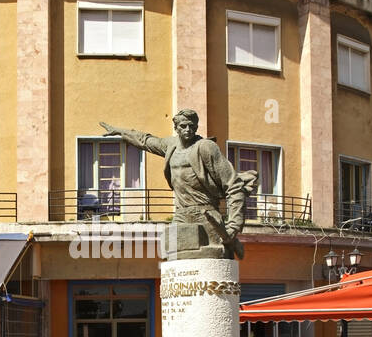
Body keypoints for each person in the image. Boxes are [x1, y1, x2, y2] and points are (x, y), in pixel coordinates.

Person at [100, 110, 258, 258]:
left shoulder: (206, 147)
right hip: (182, 214)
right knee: (174, 253)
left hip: (206, 213)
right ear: (176, 127)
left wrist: (233, 227)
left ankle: (230, 249)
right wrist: (120, 132)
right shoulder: (171, 146)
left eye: (192, 126)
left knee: (217, 254)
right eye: (183, 126)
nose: (188, 129)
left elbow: (234, 185)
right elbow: (145, 140)